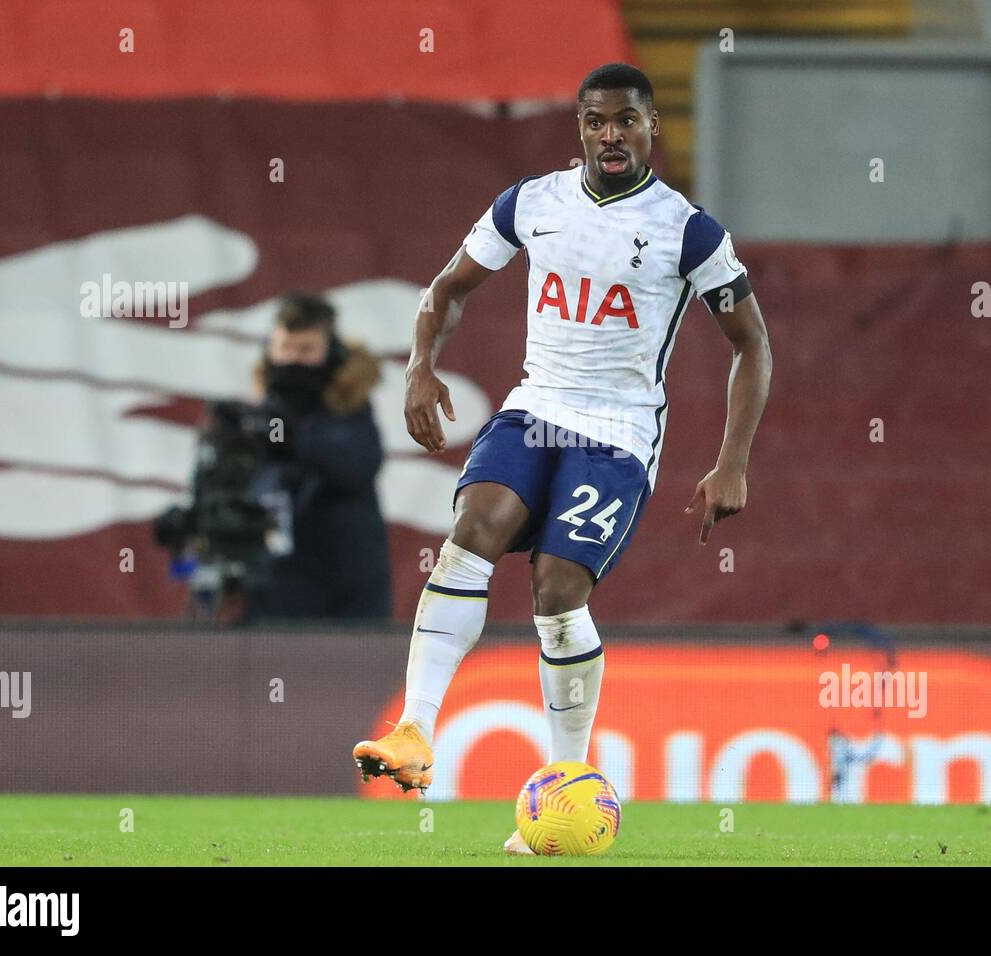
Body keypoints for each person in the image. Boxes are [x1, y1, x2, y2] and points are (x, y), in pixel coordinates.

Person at [353, 63, 771, 852]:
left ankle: (569, 780)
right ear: (580, 128)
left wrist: (734, 460)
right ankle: (414, 731)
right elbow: (447, 288)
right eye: (595, 121)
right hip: (534, 408)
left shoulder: (690, 231)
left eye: (626, 121)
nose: (610, 135)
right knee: (471, 531)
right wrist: (418, 365)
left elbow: (752, 344)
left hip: (617, 433)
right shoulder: (530, 203)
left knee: (555, 589)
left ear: (653, 128)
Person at [243, 292, 392, 622]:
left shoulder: (350, 410)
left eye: (306, 350)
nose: (293, 359)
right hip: (276, 585)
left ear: (331, 353)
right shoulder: (258, 416)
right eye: (285, 349)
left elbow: (356, 466)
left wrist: (293, 429)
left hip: (347, 586)